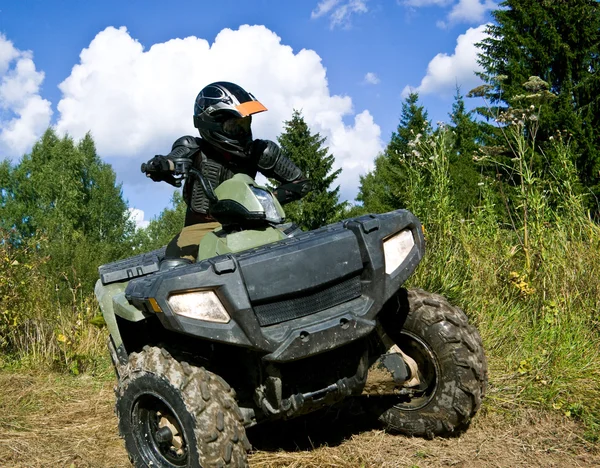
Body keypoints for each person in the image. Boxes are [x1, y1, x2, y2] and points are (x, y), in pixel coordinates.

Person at [142, 81, 310, 261]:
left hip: (253, 225)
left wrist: (264, 200)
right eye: (233, 125)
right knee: (176, 266)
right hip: (200, 229)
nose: (241, 131)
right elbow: (174, 158)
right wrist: (162, 166)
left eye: (244, 123)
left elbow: (300, 183)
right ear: (211, 123)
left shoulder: (260, 151)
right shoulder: (193, 148)